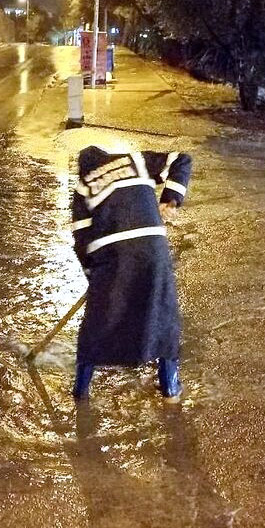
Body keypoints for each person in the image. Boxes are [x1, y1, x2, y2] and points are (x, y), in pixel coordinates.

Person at [70, 145, 193, 403]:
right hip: (154, 250)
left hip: (113, 256)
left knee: (96, 326)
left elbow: (82, 240)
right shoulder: (136, 161)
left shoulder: (84, 186)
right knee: (163, 316)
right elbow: (182, 160)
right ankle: (171, 390)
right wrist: (170, 199)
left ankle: (81, 392)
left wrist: (93, 276)